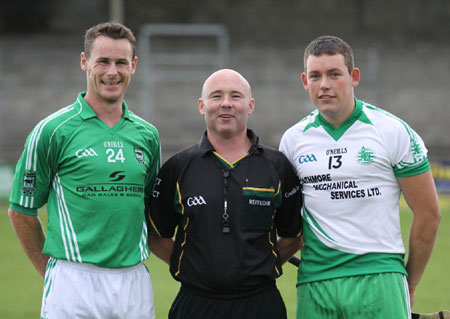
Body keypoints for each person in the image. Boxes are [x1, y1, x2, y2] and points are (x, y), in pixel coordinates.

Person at [279, 35, 441, 319]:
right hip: (315, 283)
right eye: (315, 76)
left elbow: (428, 215)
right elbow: (287, 222)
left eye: (334, 74)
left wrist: (409, 283)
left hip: (380, 279)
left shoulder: (392, 131)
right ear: (305, 81)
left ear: (353, 77)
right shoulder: (292, 141)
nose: (324, 85)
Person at [8, 22, 160, 319]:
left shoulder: (148, 135)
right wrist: (51, 272)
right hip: (73, 279)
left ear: (134, 66)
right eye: (102, 61)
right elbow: (21, 210)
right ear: (84, 62)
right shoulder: (52, 131)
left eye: (121, 62)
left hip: (134, 282)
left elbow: (148, 206)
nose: (112, 72)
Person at [148, 69, 303, 319]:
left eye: (236, 96)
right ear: (202, 105)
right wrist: (190, 267)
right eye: (216, 96)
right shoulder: (177, 168)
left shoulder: (277, 166)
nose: (226, 104)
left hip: (260, 303)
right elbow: (157, 235)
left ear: (250, 105)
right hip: (195, 303)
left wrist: (263, 266)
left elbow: (293, 236)